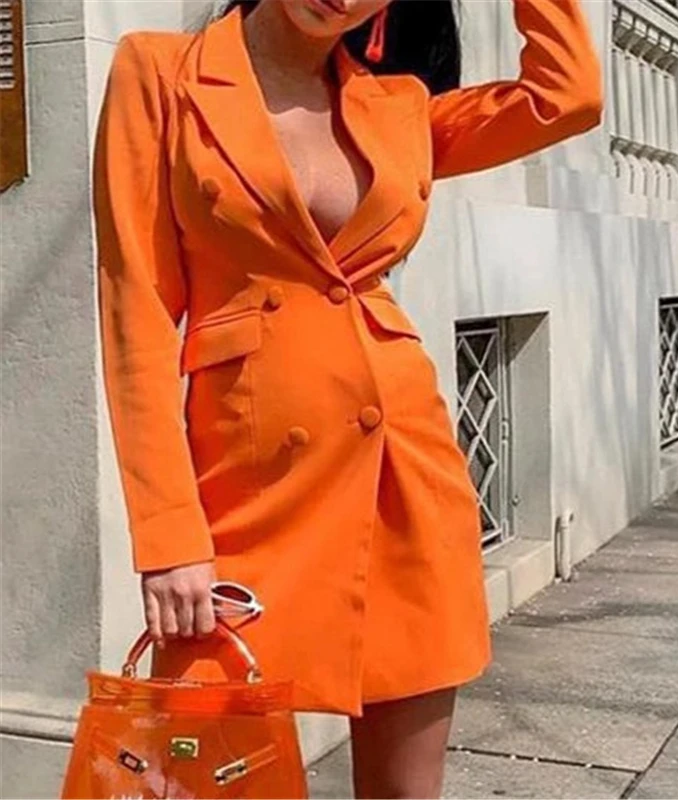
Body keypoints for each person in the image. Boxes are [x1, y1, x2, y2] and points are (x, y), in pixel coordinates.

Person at [93, 0, 601, 796]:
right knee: (205, 781)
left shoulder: (399, 104)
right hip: (243, 489)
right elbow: (137, 313)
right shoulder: (160, 72)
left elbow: (567, 96)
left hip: (402, 474)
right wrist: (169, 538)